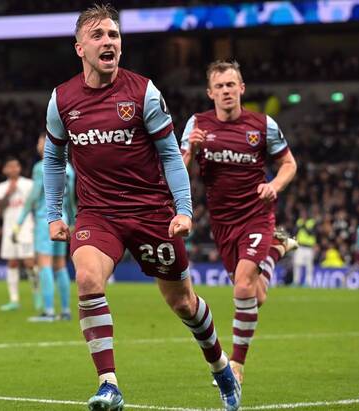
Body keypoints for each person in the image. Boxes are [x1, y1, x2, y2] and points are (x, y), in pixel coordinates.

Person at [43, 5, 240, 410]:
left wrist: (183, 209)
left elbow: (169, 154)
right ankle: (108, 384)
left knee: (183, 303)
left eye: (114, 35)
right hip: (98, 214)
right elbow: (53, 159)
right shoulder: (62, 99)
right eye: (98, 35)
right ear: (80, 48)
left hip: (151, 213)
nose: (109, 42)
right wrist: (54, 214)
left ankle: (220, 365)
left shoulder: (142, 92)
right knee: (87, 279)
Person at [181, 60, 298, 386]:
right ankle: (276, 249)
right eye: (219, 86)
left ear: (241, 89)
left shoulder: (262, 125)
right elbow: (177, 169)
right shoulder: (197, 124)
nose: (226, 91)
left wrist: (274, 185)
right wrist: (192, 149)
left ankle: (236, 364)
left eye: (231, 85)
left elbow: (289, 163)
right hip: (222, 222)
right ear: (210, 93)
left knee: (244, 286)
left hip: (256, 215)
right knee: (255, 296)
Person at [14, 133, 77, 322]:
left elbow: (33, 196)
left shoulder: (40, 167)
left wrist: (19, 222)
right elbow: (71, 199)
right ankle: (65, 310)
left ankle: (48, 312)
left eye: (40, 141)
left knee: (44, 263)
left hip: (46, 219)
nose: (38, 145)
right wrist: (73, 221)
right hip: (64, 219)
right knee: (60, 264)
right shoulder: (69, 168)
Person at [0, 157, 38, 311]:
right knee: (12, 262)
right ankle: (14, 300)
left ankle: (37, 295)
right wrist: (9, 193)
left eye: (16, 166)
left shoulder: (29, 184)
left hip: (26, 227)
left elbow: (36, 204)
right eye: (10, 166)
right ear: (4, 170)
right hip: (9, 228)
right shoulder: (1, 187)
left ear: (20, 168)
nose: (13, 169)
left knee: (29, 262)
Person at [293, 209, 317, 286]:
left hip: (309, 247)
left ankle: (308, 282)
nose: (303, 215)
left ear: (307, 214)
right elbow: (294, 231)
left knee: (309, 266)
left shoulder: (311, 222)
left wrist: (304, 226)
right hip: (300, 246)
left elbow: (311, 233)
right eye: (302, 214)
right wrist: (300, 226)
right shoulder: (299, 221)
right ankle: (296, 281)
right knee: (297, 264)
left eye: (304, 214)